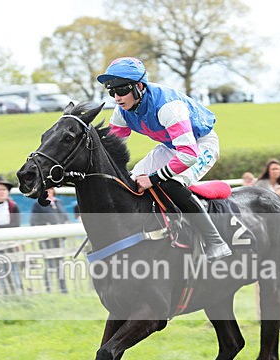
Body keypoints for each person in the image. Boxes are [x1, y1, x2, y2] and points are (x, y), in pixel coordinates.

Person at [97, 56, 231, 261]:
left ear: (139, 87)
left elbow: (187, 156)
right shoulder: (121, 111)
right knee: (130, 180)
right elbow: (112, 150)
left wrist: (152, 179)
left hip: (199, 144)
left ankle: (214, 241)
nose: (117, 97)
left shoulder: (168, 107)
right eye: (112, 91)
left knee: (171, 183)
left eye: (122, 90)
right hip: (170, 146)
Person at [30, 187, 69, 294]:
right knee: (49, 264)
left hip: (59, 238)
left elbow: (65, 217)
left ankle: (63, 289)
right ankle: (49, 289)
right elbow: (34, 222)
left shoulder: (59, 202)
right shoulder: (38, 204)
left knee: (60, 265)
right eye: (46, 189)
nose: (48, 191)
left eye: (50, 189)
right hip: (47, 240)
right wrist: (48, 227)